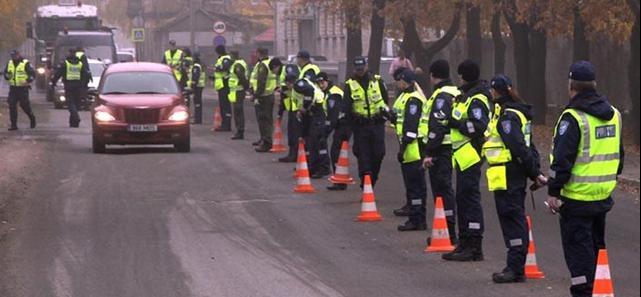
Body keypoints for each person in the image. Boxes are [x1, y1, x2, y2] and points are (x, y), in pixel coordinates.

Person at [547, 61, 624, 297]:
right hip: (602, 195)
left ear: (572, 86)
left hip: (576, 198)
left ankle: (584, 292)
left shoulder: (573, 118)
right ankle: (599, 290)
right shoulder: (615, 114)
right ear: (594, 85)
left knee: (578, 253)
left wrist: (553, 191)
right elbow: (619, 157)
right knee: (596, 249)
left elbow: (562, 160)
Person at [482, 74, 547, 283]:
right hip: (507, 174)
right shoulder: (515, 112)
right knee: (513, 218)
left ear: (495, 91)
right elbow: (530, 146)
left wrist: (535, 173)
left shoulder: (508, 116)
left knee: (512, 220)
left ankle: (515, 268)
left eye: (492, 91)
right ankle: (515, 265)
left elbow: (519, 147)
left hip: (508, 173)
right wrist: (535, 171)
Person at [442, 59, 491, 262]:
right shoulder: (466, 97)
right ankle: (464, 243)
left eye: (460, 75)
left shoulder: (477, 99)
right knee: (463, 199)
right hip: (462, 156)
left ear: (464, 76)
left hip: (471, 155)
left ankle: (473, 246)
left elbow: (477, 127)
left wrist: (455, 123)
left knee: (469, 200)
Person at [418, 60, 459, 243]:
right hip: (455, 147)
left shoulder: (441, 96)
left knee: (442, 191)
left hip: (441, 149)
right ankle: (448, 230)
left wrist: (429, 152)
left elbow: (437, 127)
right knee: (447, 190)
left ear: (433, 75)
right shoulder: (456, 92)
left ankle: (447, 231)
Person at [392, 69, 429, 231]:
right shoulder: (404, 97)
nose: (396, 84)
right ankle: (414, 215)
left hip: (413, 147)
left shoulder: (413, 100)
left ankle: (417, 219)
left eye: (398, 81)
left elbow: (411, 127)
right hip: (408, 146)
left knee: (416, 186)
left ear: (404, 81)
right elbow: (400, 120)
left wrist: (403, 148)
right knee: (412, 185)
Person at [344, 56, 390, 188]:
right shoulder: (350, 84)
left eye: (362, 68)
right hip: (360, 126)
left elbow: (385, 101)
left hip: (377, 124)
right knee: (363, 155)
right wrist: (347, 128)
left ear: (366, 66)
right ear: (354, 69)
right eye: (357, 69)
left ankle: (373, 178)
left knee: (379, 153)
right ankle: (366, 182)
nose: (360, 71)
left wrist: (385, 116)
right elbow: (346, 107)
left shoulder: (377, 81)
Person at [316, 72, 352, 190]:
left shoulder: (333, 94)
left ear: (327, 81)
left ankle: (340, 180)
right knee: (338, 152)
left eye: (322, 82)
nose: (321, 85)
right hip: (342, 124)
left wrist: (325, 133)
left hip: (344, 124)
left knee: (335, 152)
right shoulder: (329, 92)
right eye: (319, 83)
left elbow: (332, 117)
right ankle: (339, 179)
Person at [291, 77, 331, 178]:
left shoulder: (297, 85)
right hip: (311, 112)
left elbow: (309, 91)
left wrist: (305, 107)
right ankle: (312, 167)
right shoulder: (296, 89)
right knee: (310, 139)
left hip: (317, 109)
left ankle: (321, 168)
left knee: (316, 140)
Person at [51, 49, 91, 128]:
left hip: (69, 86)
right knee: (76, 104)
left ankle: (76, 118)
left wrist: (53, 83)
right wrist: (83, 85)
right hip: (78, 87)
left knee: (70, 104)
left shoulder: (66, 63)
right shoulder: (80, 64)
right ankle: (73, 123)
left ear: (69, 53)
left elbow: (58, 74)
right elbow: (85, 74)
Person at [271, 59, 302, 162]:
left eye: (273, 70)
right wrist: (280, 111)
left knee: (295, 132)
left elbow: (295, 81)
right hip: (291, 106)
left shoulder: (288, 69)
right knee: (291, 131)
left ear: (277, 66)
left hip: (297, 106)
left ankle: (295, 154)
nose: (273, 73)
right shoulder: (281, 76)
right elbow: (284, 96)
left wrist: (284, 87)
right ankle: (292, 153)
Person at [249, 48, 277, 152]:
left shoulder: (262, 65)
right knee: (266, 119)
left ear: (259, 54)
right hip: (269, 94)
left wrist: (255, 95)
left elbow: (261, 82)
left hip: (263, 96)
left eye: (256, 53)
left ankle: (266, 142)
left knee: (263, 119)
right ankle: (264, 139)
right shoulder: (269, 63)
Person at [3, 50, 36, 130]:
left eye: (15, 55)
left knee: (24, 105)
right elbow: (6, 73)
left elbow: (32, 74)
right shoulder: (10, 63)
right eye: (12, 55)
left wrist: (27, 80)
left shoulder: (25, 63)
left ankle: (32, 117)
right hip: (13, 88)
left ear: (19, 55)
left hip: (23, 88)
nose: (13, 57)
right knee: (12, 105)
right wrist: (7, 76)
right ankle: (13, 125)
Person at [228, 51, 249, 139]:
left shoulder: (237, 65)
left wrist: (245, 87)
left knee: (238, 112)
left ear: (233, 56)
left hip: (238, 91)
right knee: (237, 111)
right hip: (236, 91)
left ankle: (240, 131)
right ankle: (239, 131)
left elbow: (241, 77)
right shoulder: (241, 63)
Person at [213, 45, 233, 131]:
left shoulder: (225, 58)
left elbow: (225, 68)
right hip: (221, 85)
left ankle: (226, 125)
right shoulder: (222, 58)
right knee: (223, 106)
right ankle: (224, 124)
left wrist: (217, 68)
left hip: (225, 85)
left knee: (225, 106)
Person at [191, 52, 206, 124]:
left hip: (197, 86)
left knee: (197, 102)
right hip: (200, 85)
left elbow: (195, 77)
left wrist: (192, 86)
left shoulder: (196, 66)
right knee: (198, 102)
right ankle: (198, 118)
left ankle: (197, 119)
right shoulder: (201, 65)